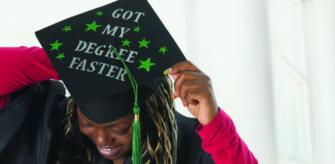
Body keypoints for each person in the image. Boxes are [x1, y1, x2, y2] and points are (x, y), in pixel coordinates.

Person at [0, 46, 258, 164]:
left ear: (151, 117)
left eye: (120, 129)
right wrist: (74, 59)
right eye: (88, 123)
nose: (101, 138)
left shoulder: (192, 148)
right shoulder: (54, 128)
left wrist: (213, 123)